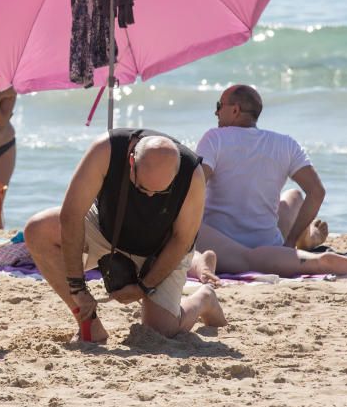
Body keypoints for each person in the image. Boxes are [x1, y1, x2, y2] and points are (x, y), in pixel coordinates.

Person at [25, 129, 226, 343]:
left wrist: (143, 287)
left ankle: (204, 298)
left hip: (160, 249)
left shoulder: (192, 174)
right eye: (142, 187)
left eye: (160, 192)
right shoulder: (106, 149)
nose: (149, 195)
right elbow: (71, 215)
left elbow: (181, 240)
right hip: (106, 230)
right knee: (38, 230)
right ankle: (89, 325)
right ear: (131, 161)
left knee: (159, 333)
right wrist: (77, 287)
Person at [193, 85, 347, 279]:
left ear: (235, 110)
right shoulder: (286, 143)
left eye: (219, 105)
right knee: (294, 196)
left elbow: (194, 186)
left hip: (223, 242)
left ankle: (315, 261)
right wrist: (290, 241)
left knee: (242, 255)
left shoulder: (214, 138)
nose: (216, 112)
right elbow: (317, 192)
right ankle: (303, 241)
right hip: (269, 241)